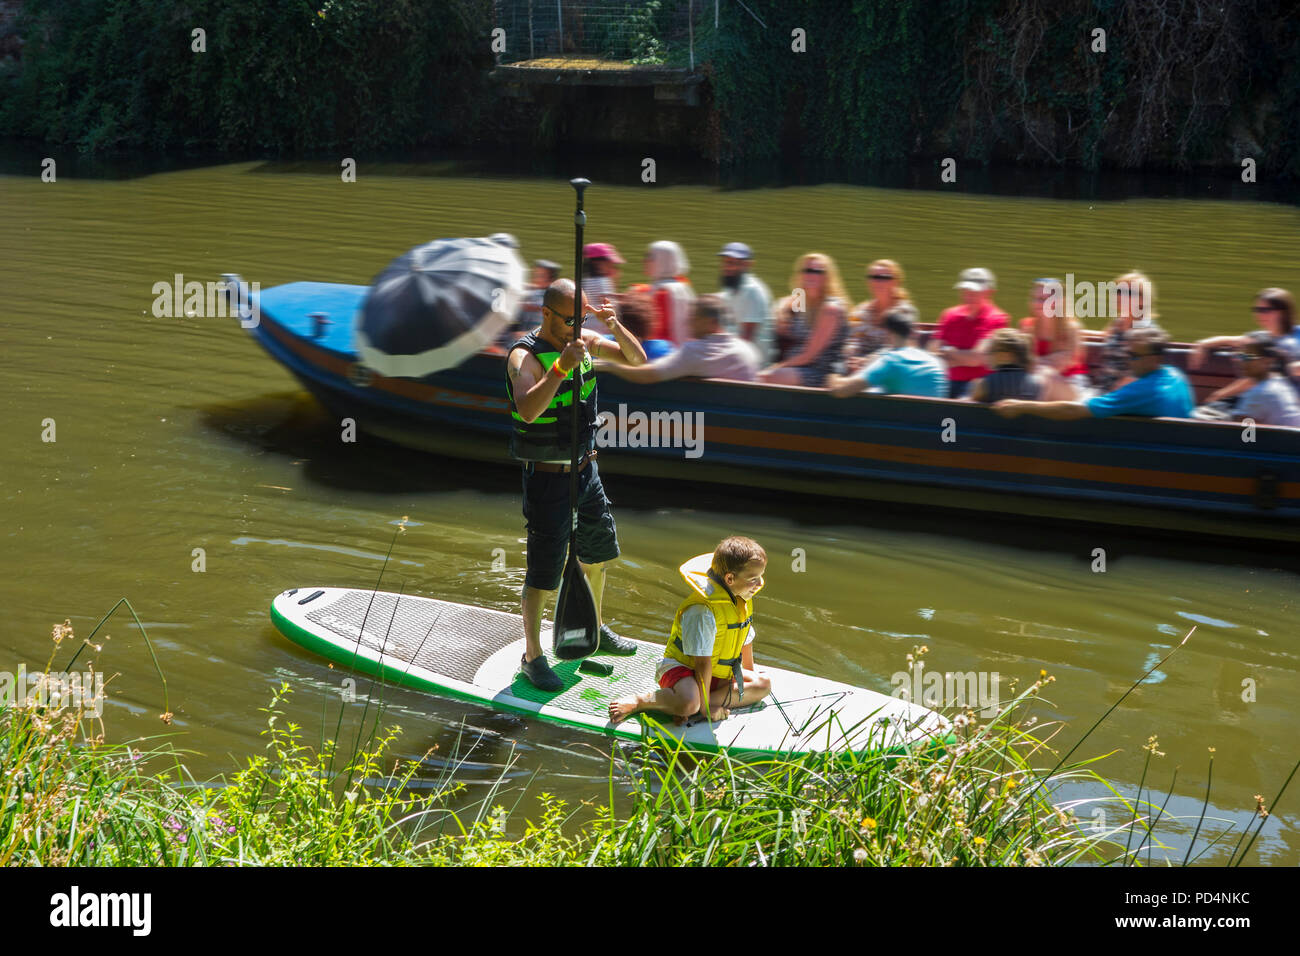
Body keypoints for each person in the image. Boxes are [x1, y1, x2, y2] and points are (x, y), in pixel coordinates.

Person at [505, 278, 648, 691]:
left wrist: (614, 325)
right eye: (569, 319)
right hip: (548, 480)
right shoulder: (523, 356)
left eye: (581, 318)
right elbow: (529, 410)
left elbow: (636, 360)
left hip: (586, 472)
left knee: (598, 552)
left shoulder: (584, 339)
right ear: (546, 313)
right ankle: (533, 656)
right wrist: (561, 367)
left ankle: (593, 631)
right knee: (544, 573)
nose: (576, 326)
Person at [608, 536, 772, 727]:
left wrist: (744, 681)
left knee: (763, 684)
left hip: (716, 674)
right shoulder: (702, 611)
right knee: (689, 704)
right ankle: (643, 701)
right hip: (682, 670)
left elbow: (745, 640)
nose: (760, 583)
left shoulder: (741, 597)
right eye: (753, 579)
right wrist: (706, 710)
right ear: (730, 578)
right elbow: (702, 663)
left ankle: (683, 704)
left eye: (760, 576)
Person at [993, 326, 1193, 421]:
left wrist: (1022, 406)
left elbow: (1073, 411)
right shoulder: (1176, 376)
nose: (1127, 360)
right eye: (1126, 352)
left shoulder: (1141, 390)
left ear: (1154, 359)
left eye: (1133, 355)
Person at [598, 295, 759, 383]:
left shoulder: (696, 351)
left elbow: (648, 375)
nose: (688, 322)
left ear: (712, 323)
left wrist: (612, 367)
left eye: (694, 318)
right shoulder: (746, 348)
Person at [1190, 289, 1300, 402]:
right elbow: (1232, 340)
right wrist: (1203, 344)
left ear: (1282, 312)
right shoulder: (1261, 338)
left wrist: (1218, 395)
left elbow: (1253, 380)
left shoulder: (1297, 336)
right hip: (1262, 401)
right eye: (1256, 310)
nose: (1258, 314)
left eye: (1265, 310)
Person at [760, 252, 849, 388]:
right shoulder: (802, 301)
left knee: (769, 377)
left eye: (817, 271)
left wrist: (776, 367)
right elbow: (784, 305)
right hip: (798, 364)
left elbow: (809, 355)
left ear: (827, 277)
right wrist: (781, 312)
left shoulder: (831, 309)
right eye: (807, 270)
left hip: (821, 371)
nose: (811, 275)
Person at [928, 267, 1009, 399]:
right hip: (944, 379)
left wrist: (948, 352)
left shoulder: (997, 319)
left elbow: (977, 358)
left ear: (989, 292)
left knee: (963, 402)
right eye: (965, 290)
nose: (968, 296)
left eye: (974, 292)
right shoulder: (949, 315)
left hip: (976, 385)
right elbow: (932, 351)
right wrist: (963, 356)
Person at [827, 312, 947, 398]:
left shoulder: (891, 361)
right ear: (912, 334)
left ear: (888, 334)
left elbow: (841, 391)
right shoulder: (936, 361)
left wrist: (834, 366)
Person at [1019, 278, 1089, 400]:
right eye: (1035, 298)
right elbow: (1021, 361)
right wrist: (1048, 360)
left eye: (1043, 299)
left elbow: (1061, 364)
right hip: (1038, 381)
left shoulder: (1070, 329)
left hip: (1071, 385)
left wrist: (1034, 361)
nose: (1037, 303)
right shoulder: (1027, 326)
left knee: (1046, 374)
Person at [1087, 271, 1156, 394]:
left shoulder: (1146, 331)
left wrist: (1110, 397)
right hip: (1103, 390)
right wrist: (1070, 330)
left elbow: (1143, 373)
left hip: (1124, 396)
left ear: (1142, 300)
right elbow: (1101, 336)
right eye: (1118, 291)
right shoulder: (1118, 323)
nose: (1119, 296)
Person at [846, 259, 919, 366]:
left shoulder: (904, 312)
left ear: (896, 282)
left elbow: (900, 348)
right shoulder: (860, 311)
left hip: (892, 367)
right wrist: (851, 357)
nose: (878, 281)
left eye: (884, 278)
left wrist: (867, 362)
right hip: (860, 367)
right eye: (874, 277)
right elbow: (852, 339)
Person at [716, 242, 774, 362]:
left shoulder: (752, 291)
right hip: (734, 349)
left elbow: (747, 340)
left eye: (733, 263)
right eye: (726, 262)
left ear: (747, 265)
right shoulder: (732, 286)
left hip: (752, 360)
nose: (727, 267)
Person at [1229, 332, 1300, 427]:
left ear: (1267, 361)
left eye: (1248, 357)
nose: (1241, 361)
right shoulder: (1281, 383)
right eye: (1240, 356)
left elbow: (1246, 438)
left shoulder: (1258, 393)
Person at [967, 328, 1041, 403]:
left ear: (1006, 355)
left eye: (992, 351)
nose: (989, 355)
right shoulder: (1036, 382)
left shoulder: (985, 384)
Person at [643, 241, 695, 344]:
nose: (645, 260)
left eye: (650, 257)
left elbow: (651, 331)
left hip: (663, 350)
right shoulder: (683, 285)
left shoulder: (662, 293)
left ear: (662, 261)